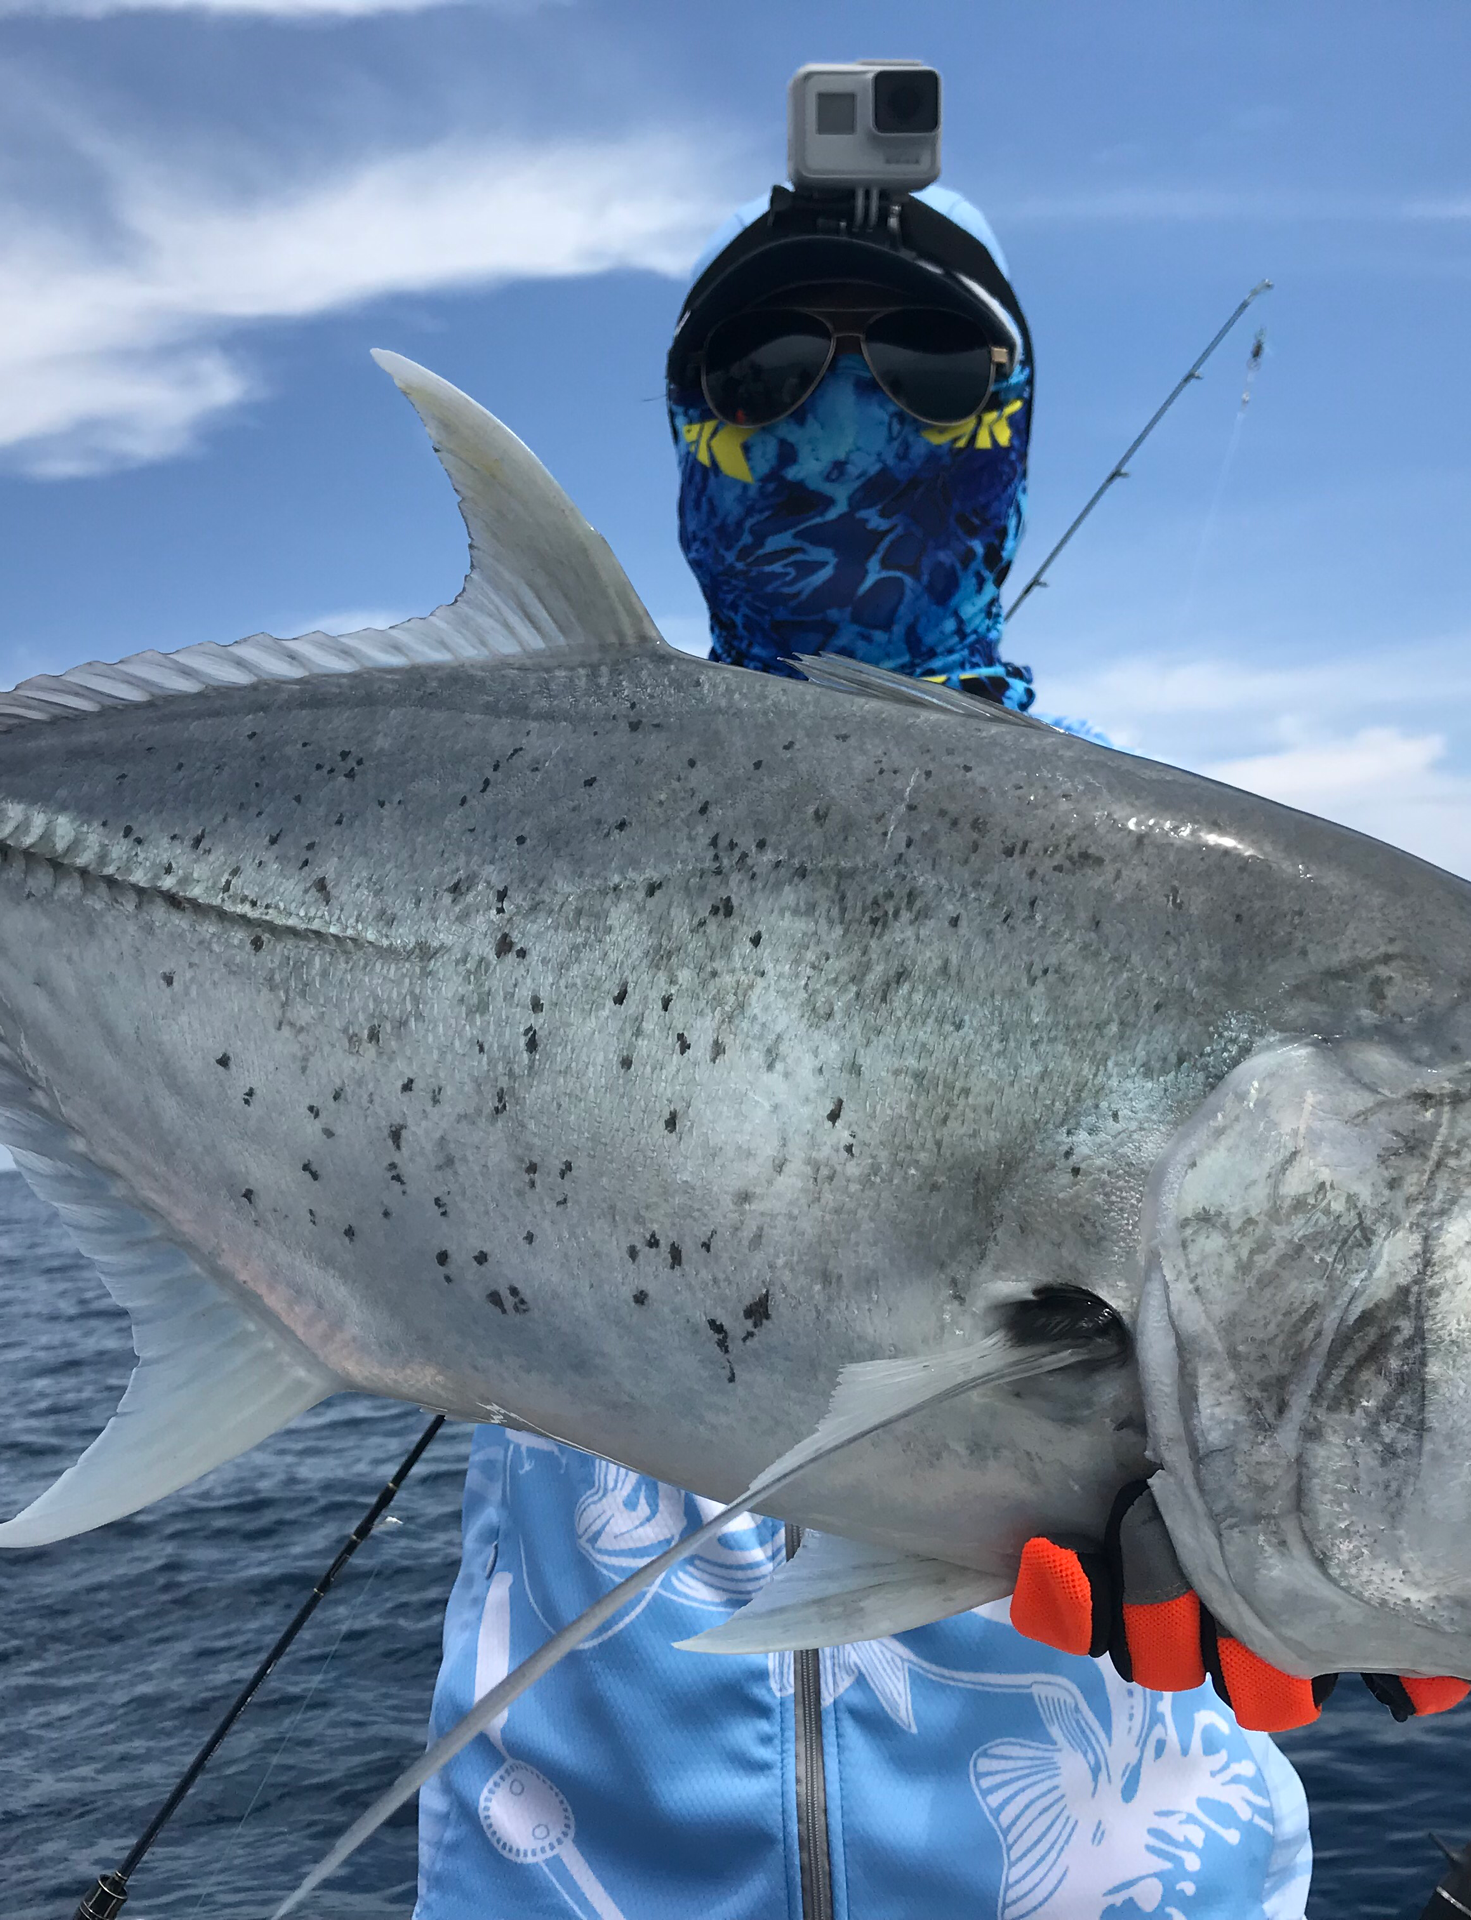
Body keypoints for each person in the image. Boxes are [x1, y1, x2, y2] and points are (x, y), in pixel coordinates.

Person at [411, 180, 1314, 1920]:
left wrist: (1350, 1585)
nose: (845, 413)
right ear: (689, 439)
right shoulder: (515, 820)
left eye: (923, 354)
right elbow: (186, 841)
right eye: (763, 370)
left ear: (1014, 421)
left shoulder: (1217, 905)